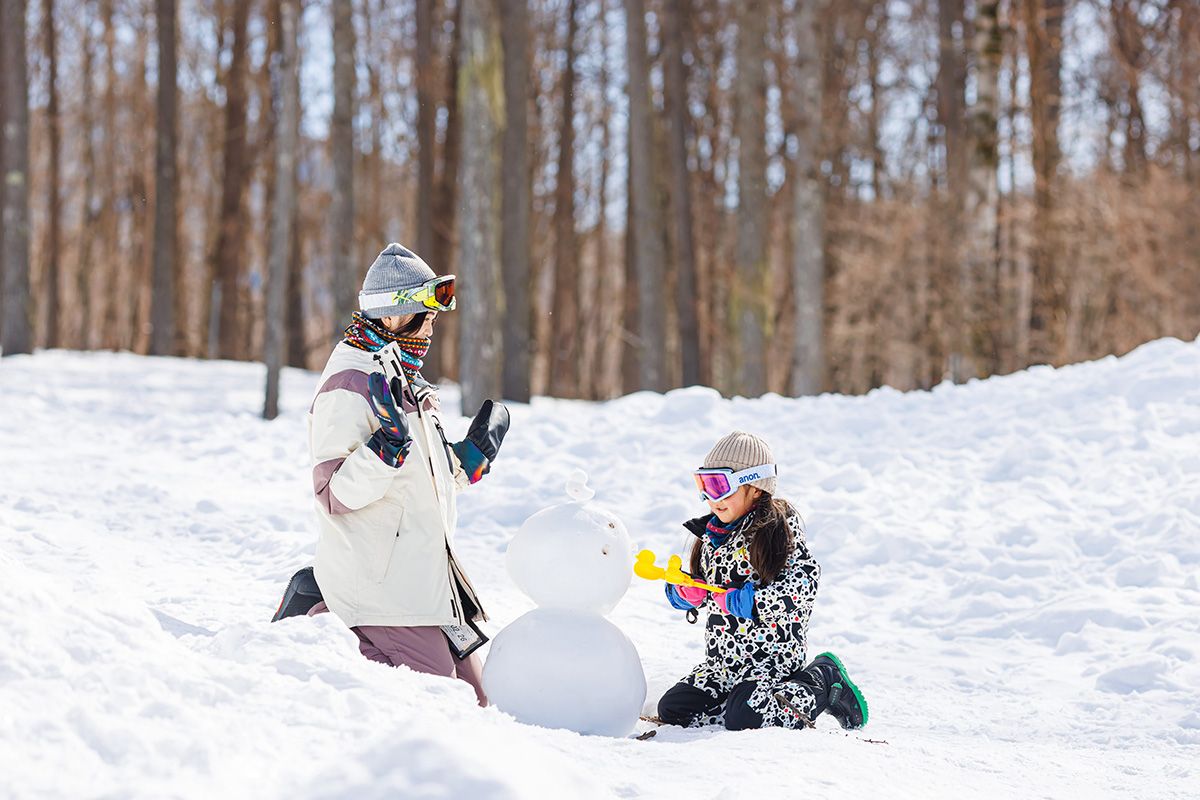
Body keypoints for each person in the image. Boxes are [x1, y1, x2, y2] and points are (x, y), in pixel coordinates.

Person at [302, 243, 508, 706]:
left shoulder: (404, 374)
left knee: (481, 701)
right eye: (426, 317)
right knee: (446, 708)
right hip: (383, 591)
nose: (431, 330)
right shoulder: (349, 384)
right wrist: (385, 449)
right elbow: (333, 494)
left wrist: (469, 460)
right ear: (393, 315)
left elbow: (419, 476)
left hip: (426, 582)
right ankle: (321, 623)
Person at [656, 431, 868, 731]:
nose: (712, 498)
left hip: (770, 662)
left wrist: (754, 602)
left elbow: (804, 584)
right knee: (674, 710)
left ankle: (822, 680)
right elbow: (697, 583)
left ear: (755, 487)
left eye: (720, 486)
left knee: (748, 718)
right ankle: (740, 702)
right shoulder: (711, 537)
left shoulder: (777, 532)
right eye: (704, 485)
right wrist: (684, 594)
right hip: (723, 665)